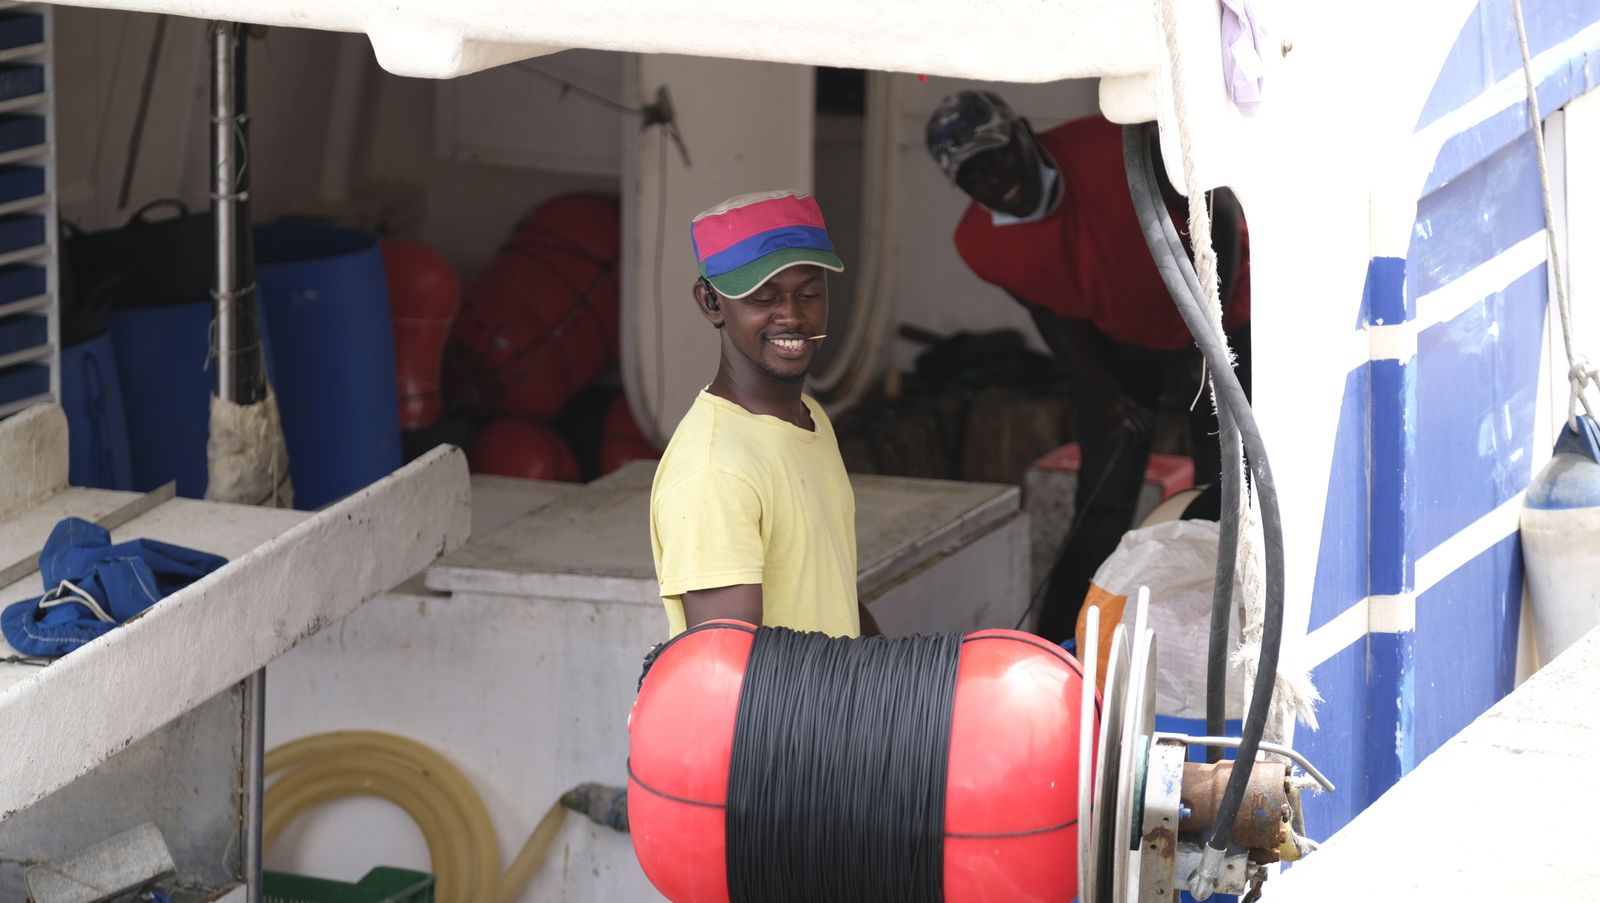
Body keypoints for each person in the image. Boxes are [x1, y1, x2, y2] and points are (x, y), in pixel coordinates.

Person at [925, 90, 1252, 643]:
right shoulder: (980, 244)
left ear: (1024, 133)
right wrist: (1103, 391)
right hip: (1125, 340)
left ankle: (1234, 638)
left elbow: (1220, 212)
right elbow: (1049, 307)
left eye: (999, 153)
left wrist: (1205, 345)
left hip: (1226, 320)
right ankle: (1056, 647)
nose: (995, 179)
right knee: (1102, 503)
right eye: (972, 175)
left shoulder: (1115, 148)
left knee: (1226, 490)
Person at [650, 190, 879, 638]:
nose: (792, 316)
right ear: (711, 303)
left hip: (835, 709)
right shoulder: (715, 470)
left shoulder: (809, 419)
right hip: (786, 712)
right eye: (763, 298)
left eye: (809, 292)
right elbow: (730, 669)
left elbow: (828, 590)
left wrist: (895, 676)